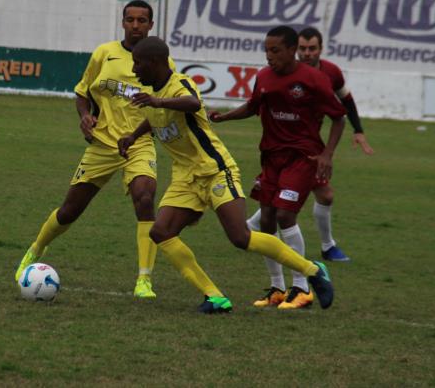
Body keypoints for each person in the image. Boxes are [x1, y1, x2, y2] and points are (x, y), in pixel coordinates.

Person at [119, 36, 334, 313]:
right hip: (186, 177)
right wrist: (133, 135)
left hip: (216, 170)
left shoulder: (179, 85)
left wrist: (158, 101)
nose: (134, 69)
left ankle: (312, 270)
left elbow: (193, 104)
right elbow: (156, 118)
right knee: (161, 231)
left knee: (240, 237)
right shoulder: (152, 95)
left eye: (138, 63)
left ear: (155, 63)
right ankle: (215, 297)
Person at [14, 0, 171, 299]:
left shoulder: (162, 62)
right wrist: (85, 116)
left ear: (151, 25)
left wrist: (140, 132)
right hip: (102, 144)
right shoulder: (104, 54)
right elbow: (83, 92)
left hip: (139, 144)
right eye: (130, 20)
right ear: (122, 22)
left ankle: (144, 280)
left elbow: (164, 110)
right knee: (70, 210)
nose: (135, 25)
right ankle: (35, 250)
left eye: (142, 20)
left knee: (145, 197)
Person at [210, 26, 346, 310]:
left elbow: (338, 118)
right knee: (268, 219)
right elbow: (252, 107)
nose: (269, 56)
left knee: (286, 215)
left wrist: (327, 154)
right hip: (271, 157)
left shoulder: (314, 80)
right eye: (266, 51)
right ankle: (278, 288)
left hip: (303, 158)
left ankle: (302, 287)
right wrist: (224, 117)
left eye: (275, 51)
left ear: (292, 49)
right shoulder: (263, 77)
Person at [245, 27, 371, 263]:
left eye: (312, 49)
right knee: (306, 198)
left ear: (320, 50)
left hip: (309, 149)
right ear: (295, 50)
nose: (307, 53)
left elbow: (346, 102)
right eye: (303, 48)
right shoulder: (277, 72)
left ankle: (253, 229)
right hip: (290, 150)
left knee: (316, 197)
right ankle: (324, 249)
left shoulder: (330, 73)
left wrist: (359, 131)